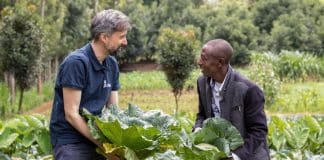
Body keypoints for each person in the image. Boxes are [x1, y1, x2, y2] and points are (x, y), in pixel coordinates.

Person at [49, 9, 131, 160]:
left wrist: (118, 145)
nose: (125, 42)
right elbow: (71, 115)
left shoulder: (111, 64)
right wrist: (102, 146)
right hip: (71, 141)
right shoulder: (76, 63)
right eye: (121, 37)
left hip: (96, 137)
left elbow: (114, 111)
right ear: (104, 37)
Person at [193, 39, 270, 160]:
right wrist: (198, 129)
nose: (199, 62)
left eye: (204, 59)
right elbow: (202, 114)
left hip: (249, 156)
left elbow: (258, 131)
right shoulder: (202, 82)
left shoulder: (248, 90)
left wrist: (235, 156)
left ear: (220, 62)